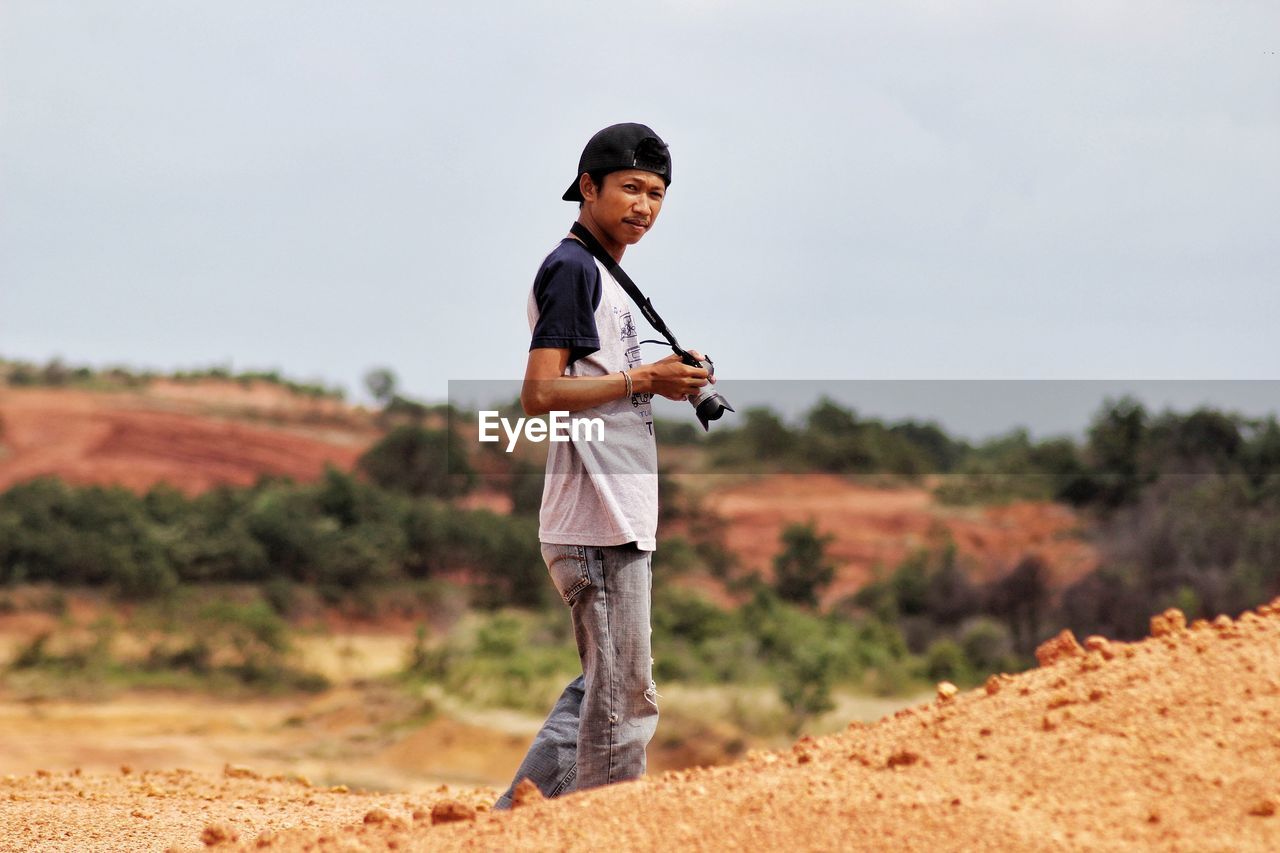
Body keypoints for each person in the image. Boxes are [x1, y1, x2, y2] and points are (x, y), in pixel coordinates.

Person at [493, 123, 710, 808]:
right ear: (588, 188)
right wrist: (644, 378)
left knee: (603, 688)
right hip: (597, 518)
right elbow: (539, 394)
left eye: (657, 193)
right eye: (630, 188)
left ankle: (505, 824)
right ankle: (610, 830)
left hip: (610, 513)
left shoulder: (604, 273)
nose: (644, 205)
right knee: (626, 697)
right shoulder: (573, 268)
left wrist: (663, 377)